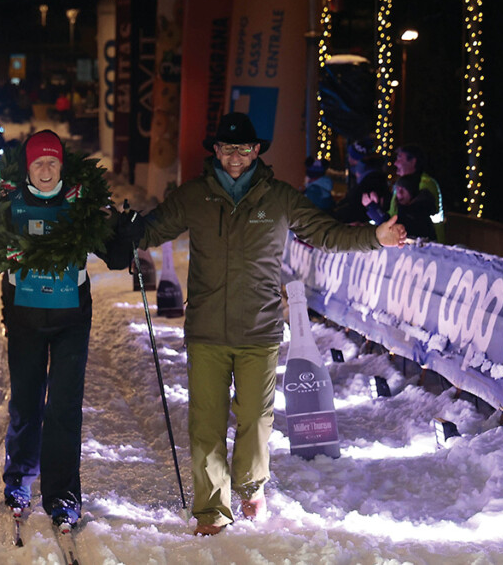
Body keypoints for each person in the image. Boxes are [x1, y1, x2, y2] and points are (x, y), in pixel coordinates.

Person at [132, 112, 406, 536]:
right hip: (206, 331)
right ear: (217, 151)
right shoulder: (194, 197)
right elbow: (148, 231)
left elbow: (326, 233)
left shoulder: (279, 198)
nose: (235, 157)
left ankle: (249, 485)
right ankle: (210, 511)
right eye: (227, 148)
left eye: (244, 149)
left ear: (257, 150)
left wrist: (375, 238)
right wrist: (109, 228)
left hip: (259, 331)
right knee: (205, 423)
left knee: (256, 419)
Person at [0, 129, 135, 529]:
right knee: (27, 405)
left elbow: (116, 258)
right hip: (24, 316)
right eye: (38, 163)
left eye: (52, 162)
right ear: (27, 167)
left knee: (64, 409)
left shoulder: (81, 204)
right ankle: (19, 480)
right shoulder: (8, 205)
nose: (46, 169)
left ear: (61, 166)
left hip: (71, 318)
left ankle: (63, 495)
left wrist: (124, 228)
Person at [389, 144, 445, 243]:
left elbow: (409, 217)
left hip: (428, 247)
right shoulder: (401, 184)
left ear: (413, 161)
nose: (396, 163)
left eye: (400, 158)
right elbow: (393, 214)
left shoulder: (425, 184)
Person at [369, 173, 435, 241]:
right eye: (397, 189)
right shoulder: (403, 210)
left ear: (412, 192)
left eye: (403, 189)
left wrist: (371, 206)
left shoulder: (419, 212)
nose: (399, 193)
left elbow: (391, 229)